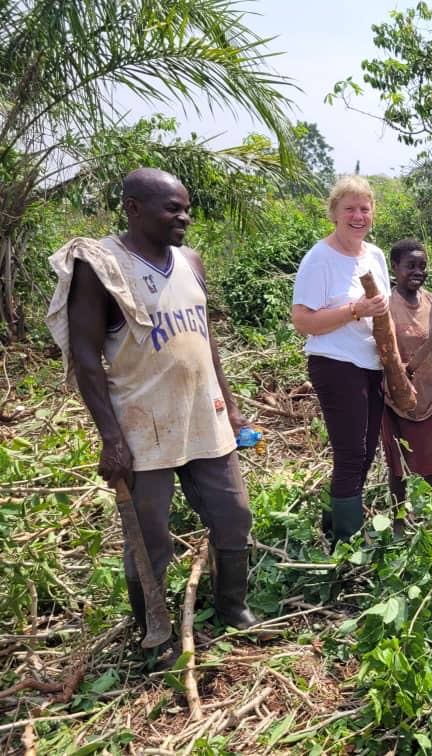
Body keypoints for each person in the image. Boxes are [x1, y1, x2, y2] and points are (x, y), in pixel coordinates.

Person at [49, 167, 262, 655]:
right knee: (149, 540)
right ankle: (156, 631)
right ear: (133, 208)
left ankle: (233, 608)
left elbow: (205, 341)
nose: (183, 217)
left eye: (186, 208)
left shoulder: (190, 260)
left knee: (234, 516)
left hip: (202, 417)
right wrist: (111, 438)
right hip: (143, 422)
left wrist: (230, 406)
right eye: (173, 208)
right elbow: (85, 356)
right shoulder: (100, 265)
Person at [291, 176, 390, 542]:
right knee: (351, 452)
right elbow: (303, 321)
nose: (358, 215)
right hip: (335, 363)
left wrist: (393, 364)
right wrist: (354, 310)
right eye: (349, 208)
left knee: (365, 453)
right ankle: (348, 540)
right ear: (334, 213)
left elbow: (384, 314)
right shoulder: (320, 258)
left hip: (371, 364)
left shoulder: (375, 255)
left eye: (364, 208)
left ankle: (333, 524)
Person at [381, 239, 432, 503]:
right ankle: (399, 515)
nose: (418, 271)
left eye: (422, 266)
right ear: (395, 267)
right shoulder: (384, 306)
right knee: (398, 462)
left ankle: (425, 512)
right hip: (394, 397)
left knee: (430, 459)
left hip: (431, 394)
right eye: (410, 266)